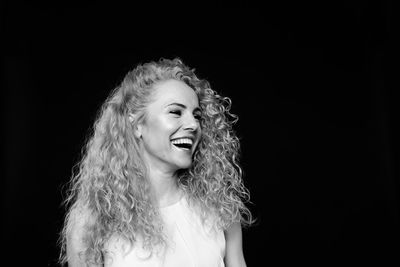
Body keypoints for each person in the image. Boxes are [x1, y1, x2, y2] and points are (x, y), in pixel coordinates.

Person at [59, 58, 253, 267]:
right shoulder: (92, 222)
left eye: (197, 116)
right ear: (137, 125)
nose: (193, 125)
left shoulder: (220, 209)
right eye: (175, 112)